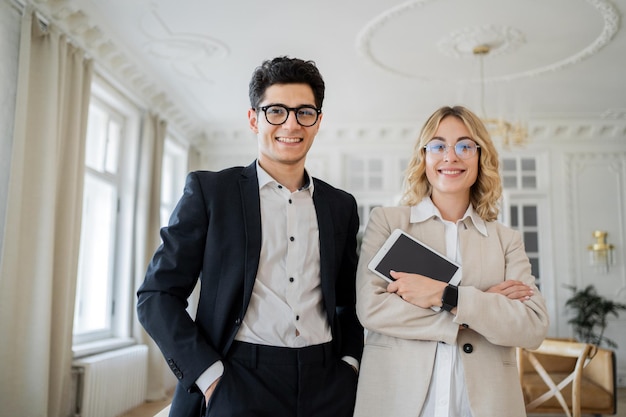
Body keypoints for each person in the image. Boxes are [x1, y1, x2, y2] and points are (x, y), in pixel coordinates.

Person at [137, 56, 363, 417]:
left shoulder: (341, 206)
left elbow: (351, 301)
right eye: (276, 111)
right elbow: (156, 295)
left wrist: (349, 364)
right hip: (238, 378)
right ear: (253, 119)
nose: (291, 123)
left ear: (318, 122)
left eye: (304, 112)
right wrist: (211, 379)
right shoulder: (210, 192)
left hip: (327, 384)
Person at [352, 105, 549, 417]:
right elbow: (371, 308)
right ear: (424, 157)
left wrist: (445, 295)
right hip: (398, 401)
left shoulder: (506, 240)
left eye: (465, 146)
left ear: (481, 156)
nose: (451, 156)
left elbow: (532, 326)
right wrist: (478, 310)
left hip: (485, 405)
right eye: (438, 145)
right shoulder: (389, 222)